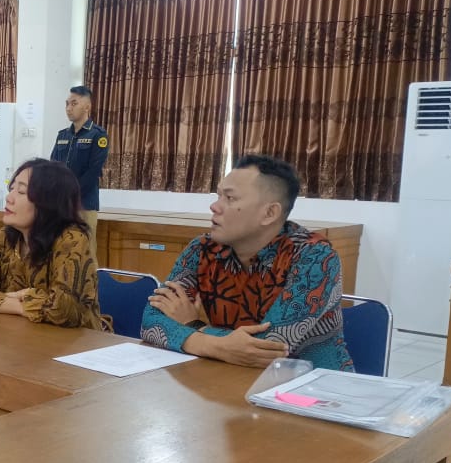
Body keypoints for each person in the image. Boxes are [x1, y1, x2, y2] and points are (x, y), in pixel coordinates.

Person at [141, 154, 353, 370]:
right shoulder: (202, 248)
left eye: (230, 198)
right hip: (226, 378)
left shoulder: (314, 257)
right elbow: (150, 321)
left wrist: (193, 325)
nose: (215, 206)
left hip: (309, 391)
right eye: (218, 195)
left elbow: (267, 348)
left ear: (269, 213)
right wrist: (217, 345)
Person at [0, 159, 101, 328]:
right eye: (11, 189)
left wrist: (12, 297)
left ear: (48, 202)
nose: (9, 198)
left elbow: (64, 309)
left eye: (21, 192)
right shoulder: (6, 236)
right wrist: (17, 304)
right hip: (18, 336)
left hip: (74, 345)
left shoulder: (71, 239)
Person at [50, 85, 108, 246]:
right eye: (67, 104)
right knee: (60, 248)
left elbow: (93, 171)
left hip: (84, 204)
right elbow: (53, 167)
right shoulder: (62, 135)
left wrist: (71, 194)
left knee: (86, 251)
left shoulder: (98, 135)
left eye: (74, 103)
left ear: (87, 107)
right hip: (61, 204)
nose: (68, 108)